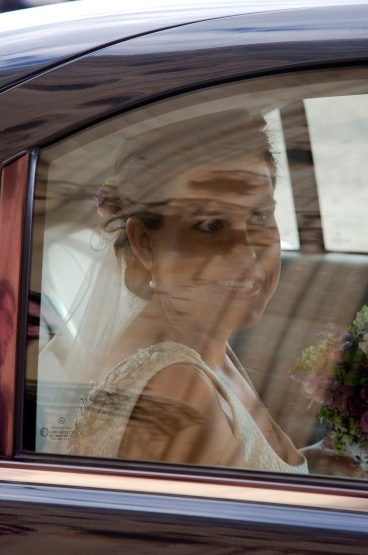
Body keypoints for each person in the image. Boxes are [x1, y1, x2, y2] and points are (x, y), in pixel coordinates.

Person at [67, 110, 308, 472]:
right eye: (210, 225)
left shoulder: (203, 341)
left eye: (259, 217)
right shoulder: (179, 388)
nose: (247, 252)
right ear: (146, 243)